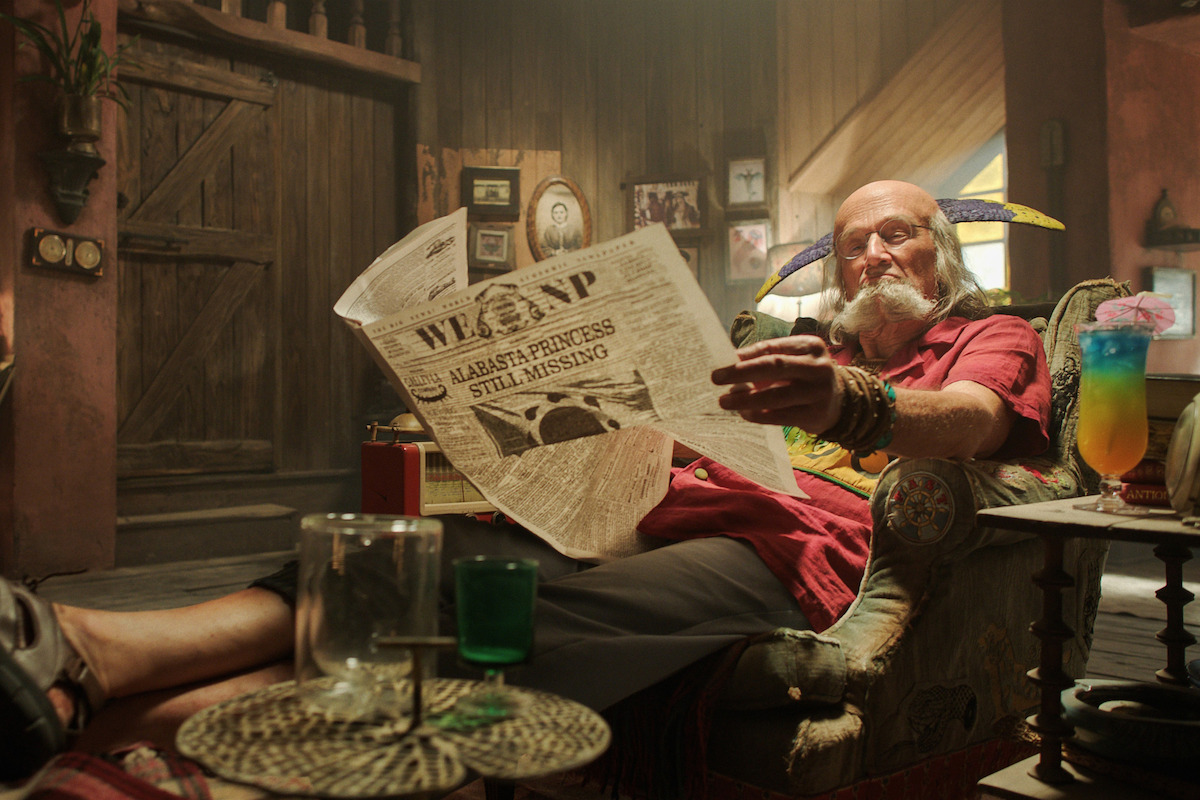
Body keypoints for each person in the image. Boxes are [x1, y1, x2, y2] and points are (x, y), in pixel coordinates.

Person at [1, 180, 1052, 781]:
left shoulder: (985, 332)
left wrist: (852, 406)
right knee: (406, 541)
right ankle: (93, 665)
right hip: (655, 508)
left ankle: (112, 713)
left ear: (941, 254)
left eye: (898, 234)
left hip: (795, 546)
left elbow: (976, 423)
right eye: (855, 238)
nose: (873, 253)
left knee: (486, 606)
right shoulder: (788, 337)